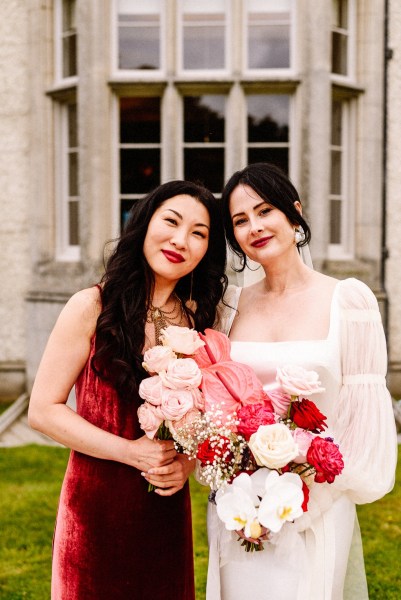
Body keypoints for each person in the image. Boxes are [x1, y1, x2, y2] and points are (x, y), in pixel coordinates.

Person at [28, 180, 227, 600]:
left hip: (164, 512)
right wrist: (129, 451)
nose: (180, 240)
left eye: (199, 233)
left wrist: (187, 466)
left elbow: (206, 421)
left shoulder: (199, 325)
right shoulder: (91, 306)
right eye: (171, 222)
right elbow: (43, 410)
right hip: (95, 509)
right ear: (144, 224)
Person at [206, 163, 397, 600]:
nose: (254, 227)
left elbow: (364, 415)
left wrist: (306, 491)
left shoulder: (349, 301)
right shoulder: (228, 306)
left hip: (318, 503)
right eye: (239, 221)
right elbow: (217, 399)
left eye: (264, 210)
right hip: (238, 502)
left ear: (294, 214)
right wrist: (236, 478)